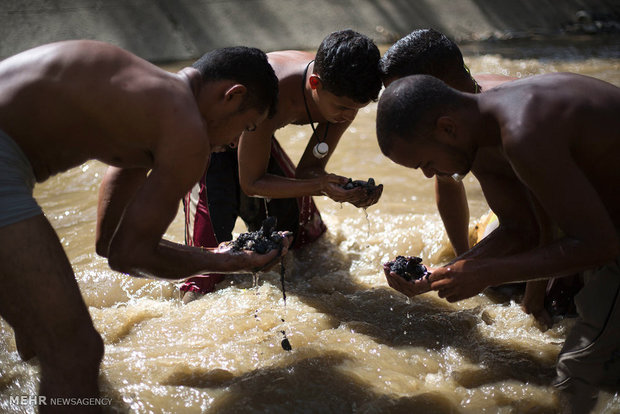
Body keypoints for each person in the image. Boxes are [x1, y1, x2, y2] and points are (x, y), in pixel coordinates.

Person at [0, 39, 290, 412]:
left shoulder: (142, 102)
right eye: (245, 127)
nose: (234, 143)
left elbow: (108, 245)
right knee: (76, 352)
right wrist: (230, 260)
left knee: (39, 335)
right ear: (231, 96)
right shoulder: (186, 127)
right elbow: (129, 255)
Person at [376, 73, 620, 413]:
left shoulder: (523, 131)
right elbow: (521, 230)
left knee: (576, 374)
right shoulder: (482, 129)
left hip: (607, 238)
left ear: (447, 128)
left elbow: (599, 244)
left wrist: (485, 272)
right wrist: (444, 273)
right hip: (606, 225)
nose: (430, 176)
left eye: (426, 163)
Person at [379, 28, 582, 326]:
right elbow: (448, 183)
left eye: (404, 96)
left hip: (579, 207)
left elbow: (545, 224)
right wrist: (461, 264)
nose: (399, 109)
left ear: (435, 88)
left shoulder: (509, 126)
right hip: (536, 204)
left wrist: (533, 300)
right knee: (494, 268)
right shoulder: (454, 117)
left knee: (558, 307)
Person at [181, 29, 384, 302]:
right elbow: (252, 184)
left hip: (254, 137)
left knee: (310, 243)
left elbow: (308, 172)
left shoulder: (343, 91)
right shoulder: (273, 91)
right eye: (342, 108)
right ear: (316, 84)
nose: (347, 117)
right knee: (202, 279)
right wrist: (320, 186)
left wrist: (343, 191)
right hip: (211, 138)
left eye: (355, 109)